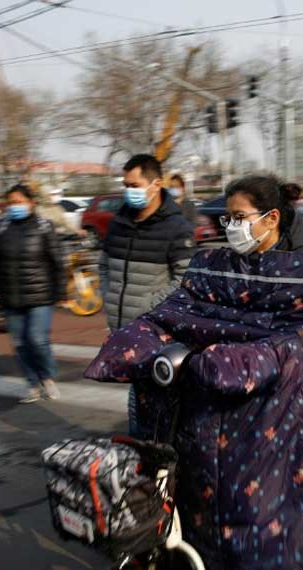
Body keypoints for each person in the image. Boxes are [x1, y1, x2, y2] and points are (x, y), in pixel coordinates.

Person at [223, 174, 303, 426]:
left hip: (299, 384)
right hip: (241, 377)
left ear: (272, 218)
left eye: (239, 218)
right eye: (228, 218)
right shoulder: (235, 261)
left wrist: (275, 356)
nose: (231, 227)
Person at [99, 153, 196, 436]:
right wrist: (108, 295)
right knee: (138, 395)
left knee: (154, 398)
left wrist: (148, 307)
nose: (129, 190)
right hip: (122, 328)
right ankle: (146, 454)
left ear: (156, 185)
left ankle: (155, 455)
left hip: (155, 331)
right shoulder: (118, 223)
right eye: (126, 184)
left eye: (135, 184)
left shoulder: (176, 227)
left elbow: (185, 278)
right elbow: (103, 264)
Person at [0, 185, 67, 404]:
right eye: (11, 202)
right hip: (10, 295)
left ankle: (47, 377)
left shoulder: (44, 226)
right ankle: (32, 384)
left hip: (40, 295)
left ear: (31, 202)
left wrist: (61, 291)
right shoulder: (2, 227)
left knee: (37, 339)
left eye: (19, 201)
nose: (15, 206)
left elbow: (58, 262)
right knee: (20, 343)